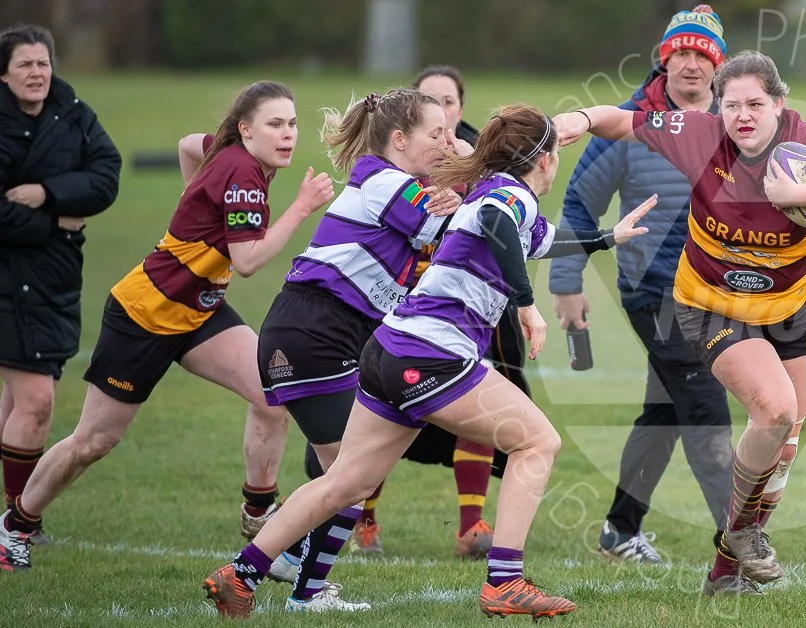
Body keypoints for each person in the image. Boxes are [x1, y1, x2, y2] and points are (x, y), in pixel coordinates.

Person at [203, 103, 656, 620]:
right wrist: (527, 306)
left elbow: (537, 239)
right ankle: (505, 581)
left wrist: (607, 237)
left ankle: (239, 575)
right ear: (546, 160)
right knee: (538, 441)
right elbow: (498, 224)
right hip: (431, 352)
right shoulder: (505, 197)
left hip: (387, 348)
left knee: (346, 482)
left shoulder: (496, 191)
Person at [554, 49, 806, 595]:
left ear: (779, 105)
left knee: (783, 449)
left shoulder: (802, 143)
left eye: (756, 104)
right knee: (774, 409)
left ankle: (724, 567)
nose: (743, 115)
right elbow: (623, 121)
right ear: (718, 106)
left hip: (786, 310)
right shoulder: (696, 133)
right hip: (707, 304)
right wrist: (578, 120)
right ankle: (734, 535)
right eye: (732, 104)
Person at [0, 80, 335, 572]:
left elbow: (185, 145)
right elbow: (247, 261)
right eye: (275, 124)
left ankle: (258, 512)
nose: (288, 135)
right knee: (93, 442)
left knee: (271, 395)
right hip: (145, 315)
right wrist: (302, 207)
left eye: (292, 124)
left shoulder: (231, 153)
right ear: (246, 129)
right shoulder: (243, 173)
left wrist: (194, 199)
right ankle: (14, 527)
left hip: (198, 311)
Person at [242, 87, 460, 612]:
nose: (447, 142)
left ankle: (292, 558)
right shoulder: (383, 179)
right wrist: (475, 191)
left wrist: (455, 191)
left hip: (333, 333)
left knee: (347, 473)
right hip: (312, 331)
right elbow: (451, 231)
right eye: (437, 134)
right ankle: (281, 574)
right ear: (399, 139)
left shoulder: (404, 184)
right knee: (352, 474)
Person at [331, 65, 525, 560]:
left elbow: (509, 234)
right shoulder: (394, 171)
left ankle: (470, 524)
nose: (443, 121)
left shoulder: (473, 160)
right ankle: (361, 520)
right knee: (371, 429)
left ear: (459, 111)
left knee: (486, 392)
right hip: (398, 307)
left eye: (450, 105)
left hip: (458, 303)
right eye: (430, 104)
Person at [0, 24, 120, 554]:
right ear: (4, 73)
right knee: (37, 402)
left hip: (54, 277)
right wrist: (56, 221)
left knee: (17, 399)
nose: (36, 73)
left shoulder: (73, 113)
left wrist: (45, 191)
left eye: (43, 63)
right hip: (7, 274)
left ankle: (12, 517)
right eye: (24, 64)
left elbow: (106, 176)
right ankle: (19, 523)